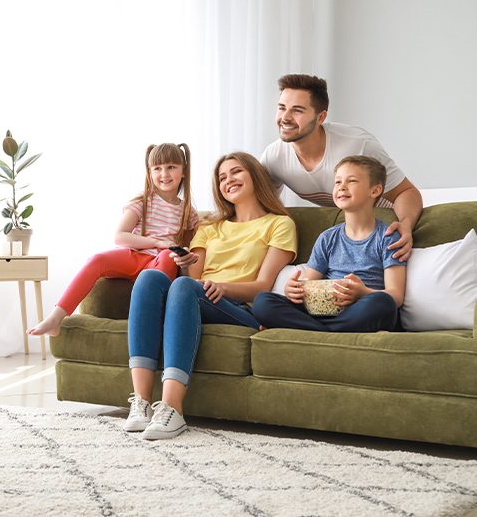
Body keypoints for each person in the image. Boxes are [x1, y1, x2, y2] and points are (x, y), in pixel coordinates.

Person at [124, 152, 297, 440]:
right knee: (150, 277)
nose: (228, 180)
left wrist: (223, 287)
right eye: (222, 177)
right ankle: (141, 403)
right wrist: (186, 265)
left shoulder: (279, 224)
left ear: (255, 175)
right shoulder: (209, 227)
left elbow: (264, 285)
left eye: (236, 172)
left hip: (241, 307)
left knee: (184, 288)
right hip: (201, 295)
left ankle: (172, 408)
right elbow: (194, 279)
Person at [27, 143, 198, 337]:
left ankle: (159, 323)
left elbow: (190, 247)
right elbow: (120, 236)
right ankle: (55, 318)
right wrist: (156, 242)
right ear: (149, 172)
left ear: (183, 171)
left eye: (171, 167)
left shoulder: (188, 213)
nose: (164, 174)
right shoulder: (142, 202)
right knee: (97, 259)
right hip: (134, 256)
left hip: (158, 264)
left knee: (168, 256)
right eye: (157, 168)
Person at [260, 73, 423, 261]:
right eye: (281, 108)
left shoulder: (357, 145)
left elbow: (406, 192)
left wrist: (406, 225)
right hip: (346, 227)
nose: (285, 118)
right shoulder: (273, 158)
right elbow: (262, 208)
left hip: (386, 222)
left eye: (297, 110)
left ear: (320, 117)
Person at [252, 155, 406, 333]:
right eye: (338, 182)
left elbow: (396, 296)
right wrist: (294, 290)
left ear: (375, 190)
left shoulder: (387, 237)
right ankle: (329, 332)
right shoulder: (327, 238)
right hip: (324, 311)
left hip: (363, 308)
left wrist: (362, 292)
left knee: (383, 303)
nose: (341, 187)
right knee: (263, 302)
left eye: (352, 181)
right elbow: (309, 285)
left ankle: (312, 331)